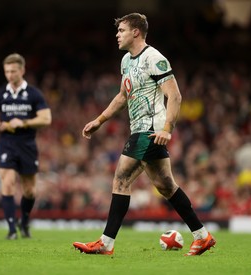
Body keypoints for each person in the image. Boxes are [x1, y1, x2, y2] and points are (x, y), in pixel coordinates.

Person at [73, 13, 216, 256]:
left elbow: (175, 95)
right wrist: (99, 120)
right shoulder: (126, 61)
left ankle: (106, 243)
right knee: (165, 185)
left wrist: (167, 129)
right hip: (141, 129)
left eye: (122, 30)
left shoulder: (154, 58)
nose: (117, 35)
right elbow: (122, 96)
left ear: (136, 32)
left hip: (149, 130)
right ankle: (202, 236)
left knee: (121, 178)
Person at [0, 53, 52, 239]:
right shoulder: (0, 94)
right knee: (7, 182)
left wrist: (24, 123)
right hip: (7, 144)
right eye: (7, 71)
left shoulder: (33, 94)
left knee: (29, 190)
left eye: (13, 71)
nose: (10, 75)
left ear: (22, 70)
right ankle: (12, 229)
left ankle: (25, 220)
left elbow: (46, 118)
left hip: (27, 144)